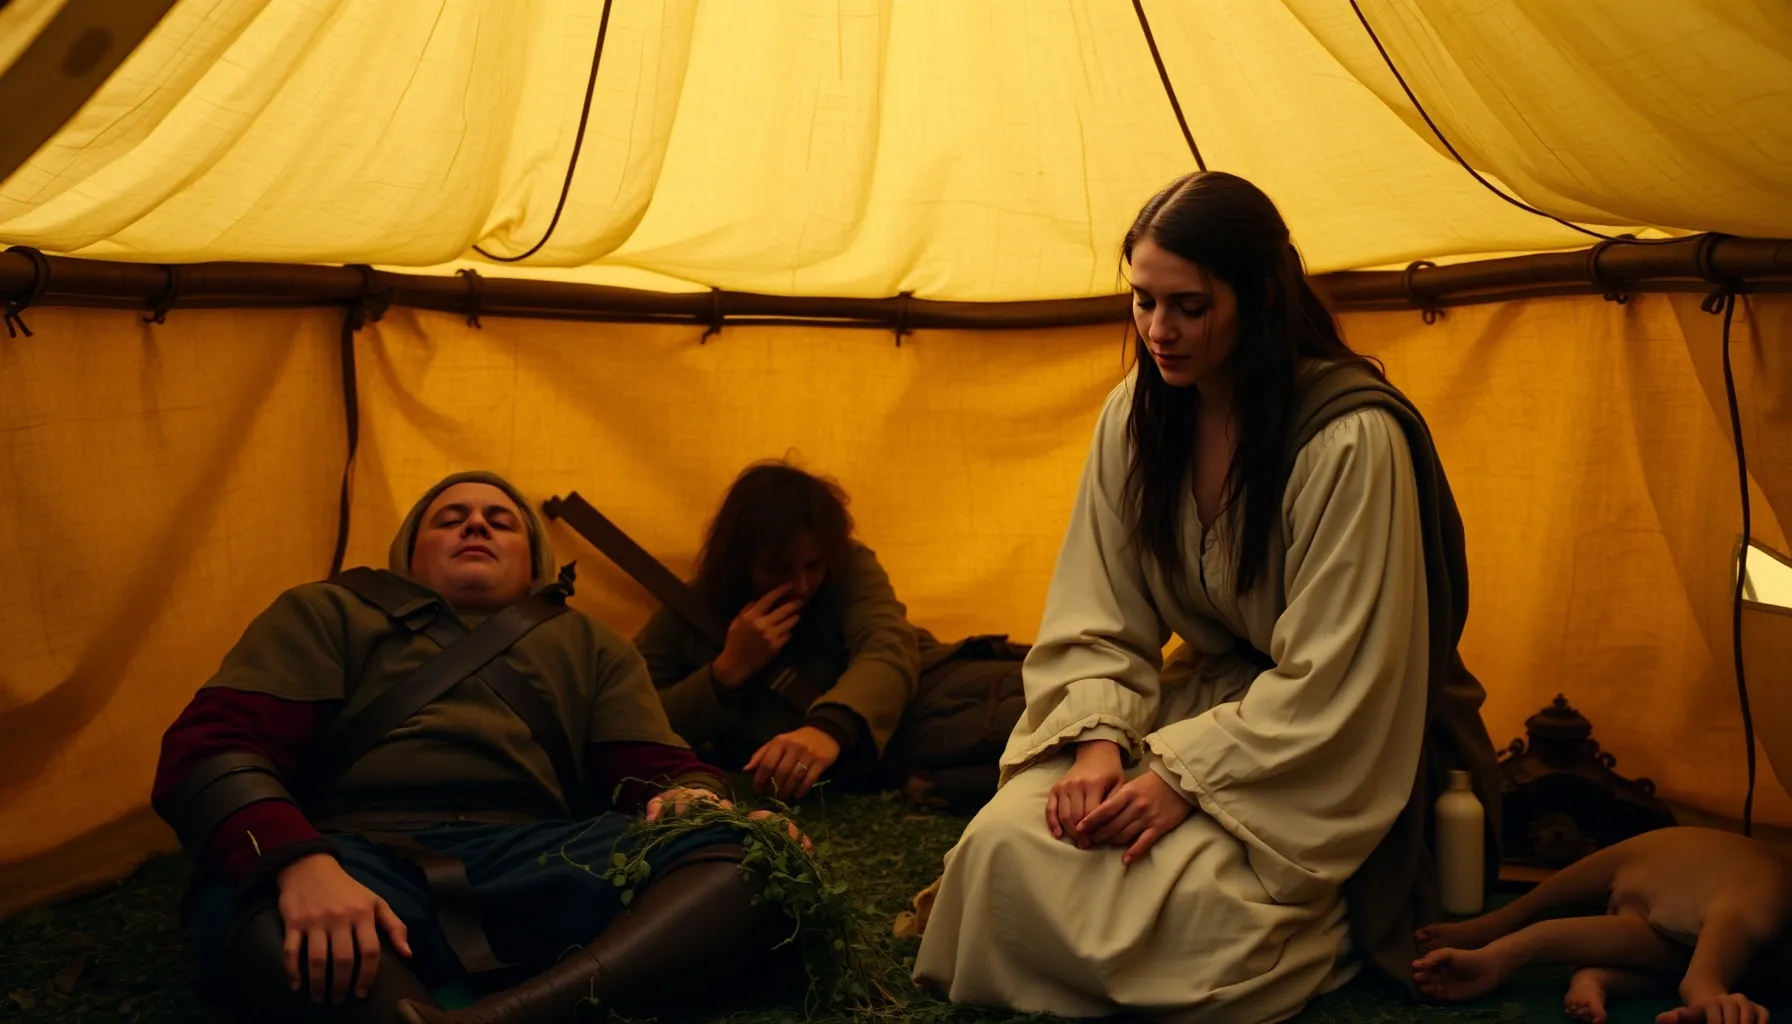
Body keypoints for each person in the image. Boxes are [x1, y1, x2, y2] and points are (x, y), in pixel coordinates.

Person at [908, 171, 1502, 1023]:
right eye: (1143, 301)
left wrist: (1188, 782)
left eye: (1188, 306)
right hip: (1198, 714)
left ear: (1260, 294)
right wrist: (1097, 746)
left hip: (1317, 756)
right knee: (1005, 848)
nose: (1159, 330)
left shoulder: (1350, 440)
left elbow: (1343, 677)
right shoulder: (1137, 416)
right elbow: (1098, 610)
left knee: (1193, 919)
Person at [152, 470, 798, 1024]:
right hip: (356, 857)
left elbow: (653, 767)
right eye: (450, 518)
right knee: (263, 900)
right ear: (408, 554)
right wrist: (298, 862)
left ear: (533, 562)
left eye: (501, 521)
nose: (476, 525)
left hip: (540, 857)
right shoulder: (326, 612)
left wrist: (697, 799)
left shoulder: (589, 642)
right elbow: (213, 746)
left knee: (753, 857)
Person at [633, 461, 921, 802]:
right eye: (777, 569)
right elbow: (630, 715)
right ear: (739, 562)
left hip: (870, 747)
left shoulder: (849, 567)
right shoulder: (693, 608)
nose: (801, 585)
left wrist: (829, 727)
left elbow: (888, 645)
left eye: (813, 566)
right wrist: (726, 671)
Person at [1413, 826, 1792, 1024]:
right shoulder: (1762, 899)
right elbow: (1701, 981)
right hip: (1670, 858)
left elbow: (1684, 968)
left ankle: (1592, 976)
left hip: (1680, 924)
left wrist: (1501, 955)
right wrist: (1711, 998)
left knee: (1679, 955)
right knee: (1540, 902)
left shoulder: (1766, 952)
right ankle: (1496, 926)